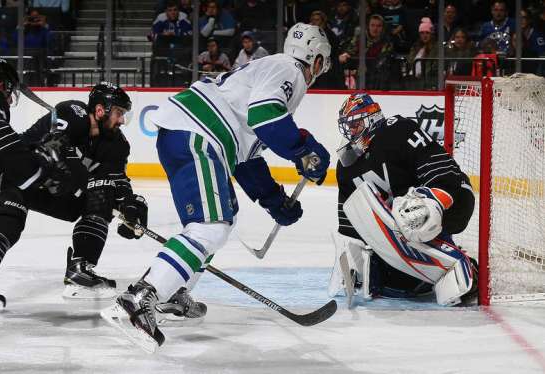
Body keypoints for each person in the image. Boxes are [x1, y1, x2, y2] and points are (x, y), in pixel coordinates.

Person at [101, 22, 332, 352]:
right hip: (199, 135)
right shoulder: (289, 70)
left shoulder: (268, 71)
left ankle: (172, 294)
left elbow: (247, 157)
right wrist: (303, 149)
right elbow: (266, 118)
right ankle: (141, 297)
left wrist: (272, 199)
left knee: (223, 219)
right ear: (317, 59)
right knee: (210, 226)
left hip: (190, 135)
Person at [0, 76, 149, 311]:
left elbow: (116, 179)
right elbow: (55, 146)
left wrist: (130, 205)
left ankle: (80, 270)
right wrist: (82, 179)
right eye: (119, 113)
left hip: (54, 188)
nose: (122, 120)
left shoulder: (117, 144)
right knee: (7, 226)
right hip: (17, 175)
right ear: (101, 110)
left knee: (104, 194)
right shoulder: (74, 112)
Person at [329, 93, 478, 307]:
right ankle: (429, 268)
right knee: (396, 280)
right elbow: (350, 217)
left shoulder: (398, 130)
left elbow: (438, 166)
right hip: (408, 219)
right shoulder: (347, 165)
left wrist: (435, 199)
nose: (351, 132)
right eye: (348, 127)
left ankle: (462, 266)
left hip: (452, 195)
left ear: (371, 119)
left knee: (407, 209)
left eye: (356, 124)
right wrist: (353, 261)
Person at [0, 55, 71, 311]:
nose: (10, 98)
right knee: (7, 219)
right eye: (9, 90)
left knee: (6, 220)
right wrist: (39, 169)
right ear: (0, 84)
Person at [407, 19, 438, 89]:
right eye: (422, 33)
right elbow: (410, 61)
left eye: (427, 33)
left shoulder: (437, 48)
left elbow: (434, 66)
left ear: (432, 34)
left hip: (428, 81)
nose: (424, 35)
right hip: (412, 80)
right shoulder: (415, 46)